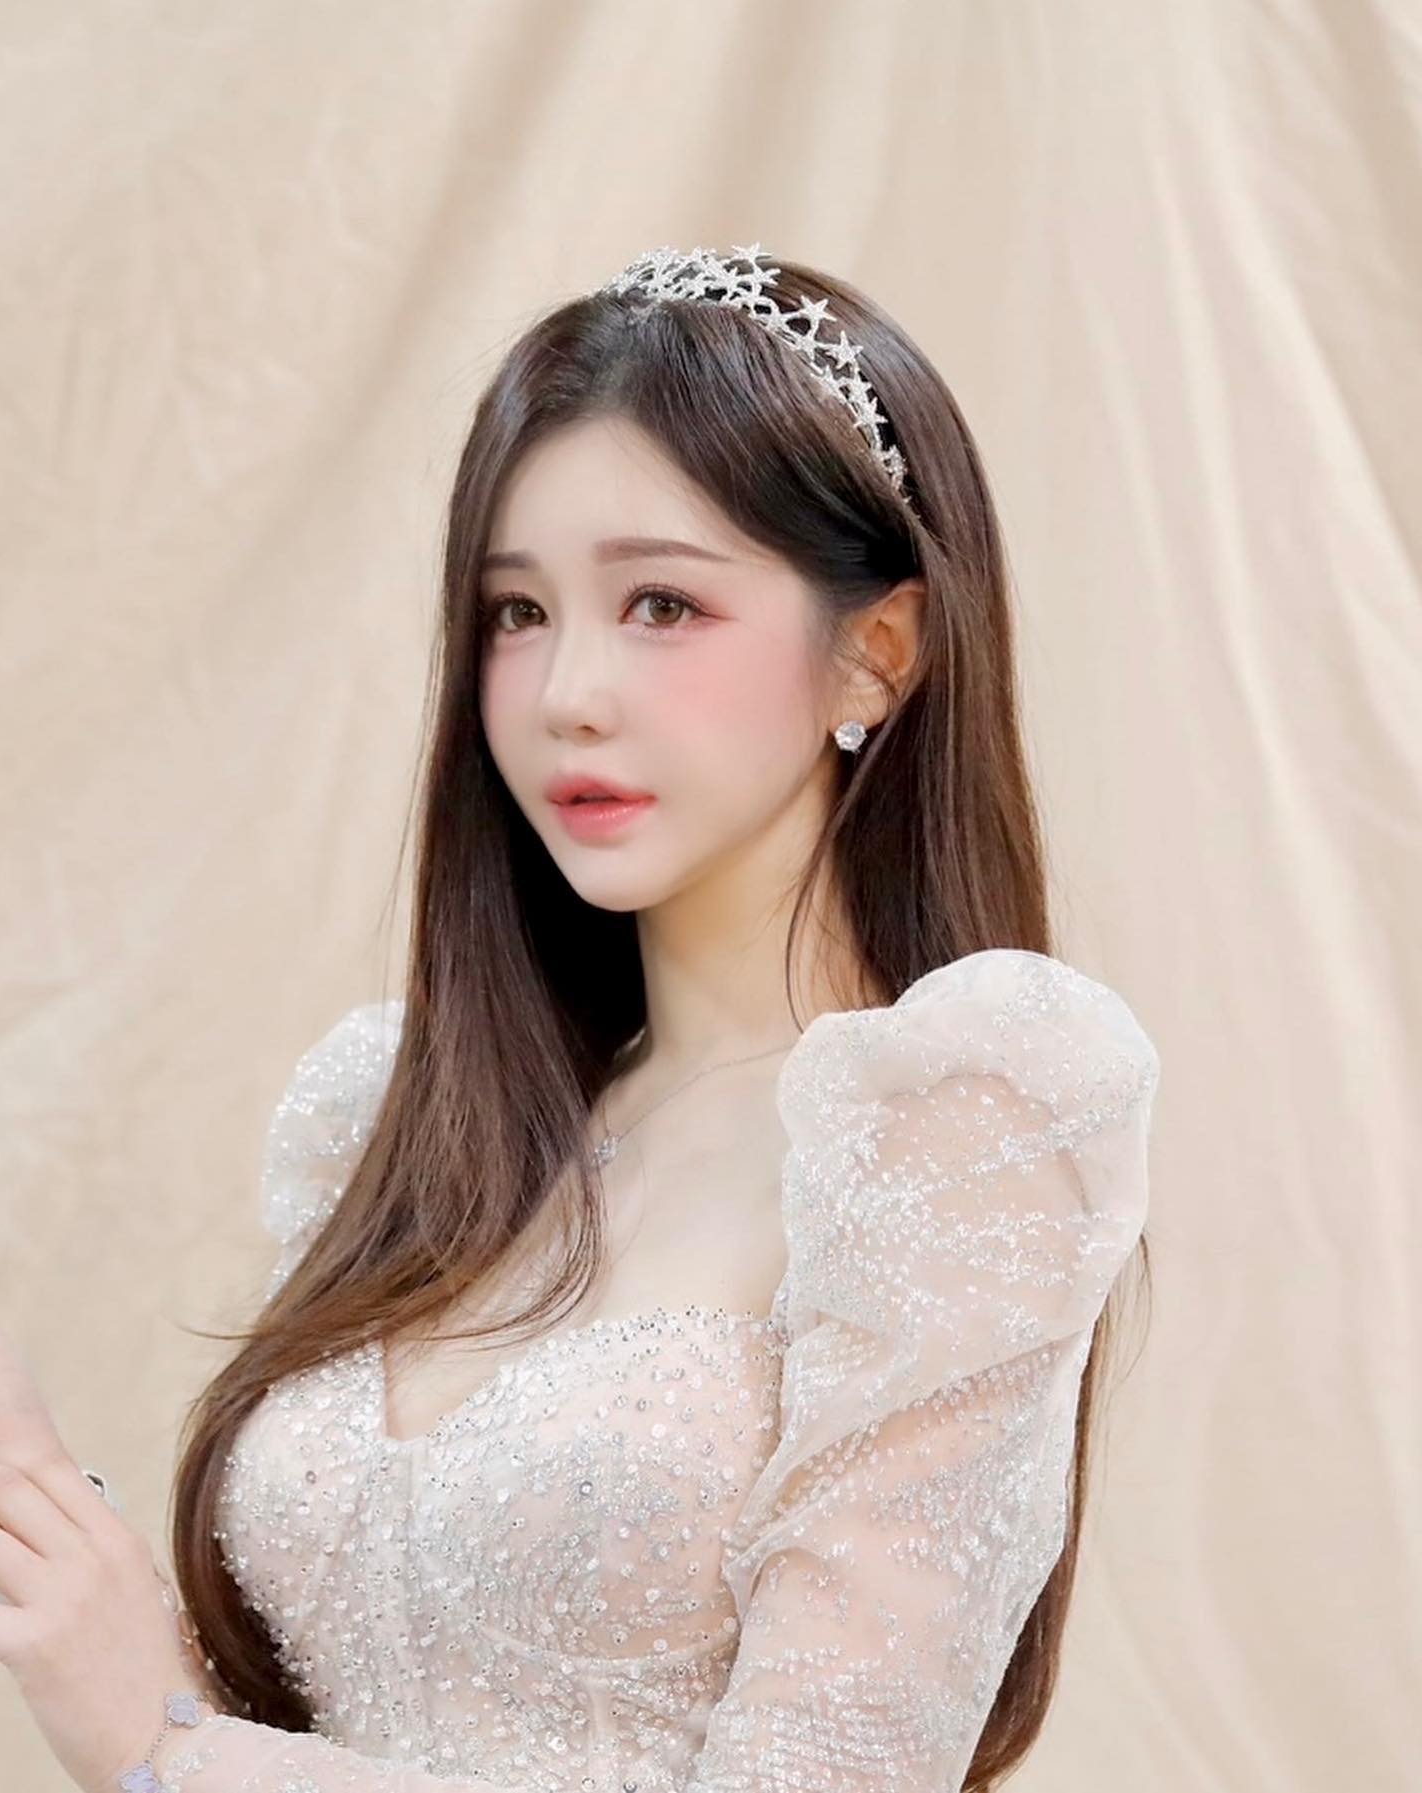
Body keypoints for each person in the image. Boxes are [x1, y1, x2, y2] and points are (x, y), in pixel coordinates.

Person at [152, 244, 1159, 1792]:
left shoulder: (953, 1119)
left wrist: (157, 1745)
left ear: (876, 653)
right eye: (515, 612)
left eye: (662, 603)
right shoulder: (418, 1117)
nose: (567, 690)